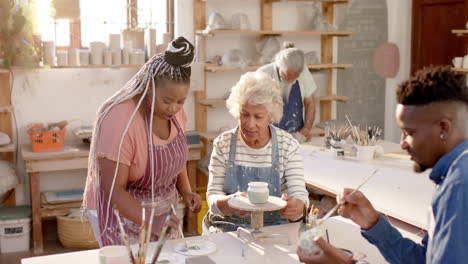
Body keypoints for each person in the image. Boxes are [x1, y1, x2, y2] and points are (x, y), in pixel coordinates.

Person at [297, 66, 468, 263]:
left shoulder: (459, 185)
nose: (403, 143)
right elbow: (424, 260)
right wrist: (373, 223)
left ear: (443, 128)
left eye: (409, 133)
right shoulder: (454, 175)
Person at [82, 37, 202, 246]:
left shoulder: (175, 113)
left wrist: (186, 191)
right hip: (120, 215)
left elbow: (176, 160)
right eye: (167, 101)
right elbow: (113, 190)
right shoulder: (120, 119)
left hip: (161, 214)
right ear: (149, 88)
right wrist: (152, 221)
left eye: (180, 101)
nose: (174, 108)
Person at [203, 71, 309, 234]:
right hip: (228, 227)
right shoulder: (223, 144)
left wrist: (297, 207)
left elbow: (299, 194)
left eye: (258, 117)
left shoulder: (287, 145)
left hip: (273, 228)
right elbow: (213, 197)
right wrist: (229, 202)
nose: (250, 124)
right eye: (244, 114)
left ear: (271, 116)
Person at [257, 43, 317, 142]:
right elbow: (254, 109)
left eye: (294, 77)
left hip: (295, 137)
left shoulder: (304, 73)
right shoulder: (262, 74)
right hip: (267, 138)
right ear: (278, 65)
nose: (290, 81)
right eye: (287, 76)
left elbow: (310, 103)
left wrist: (307, 128)